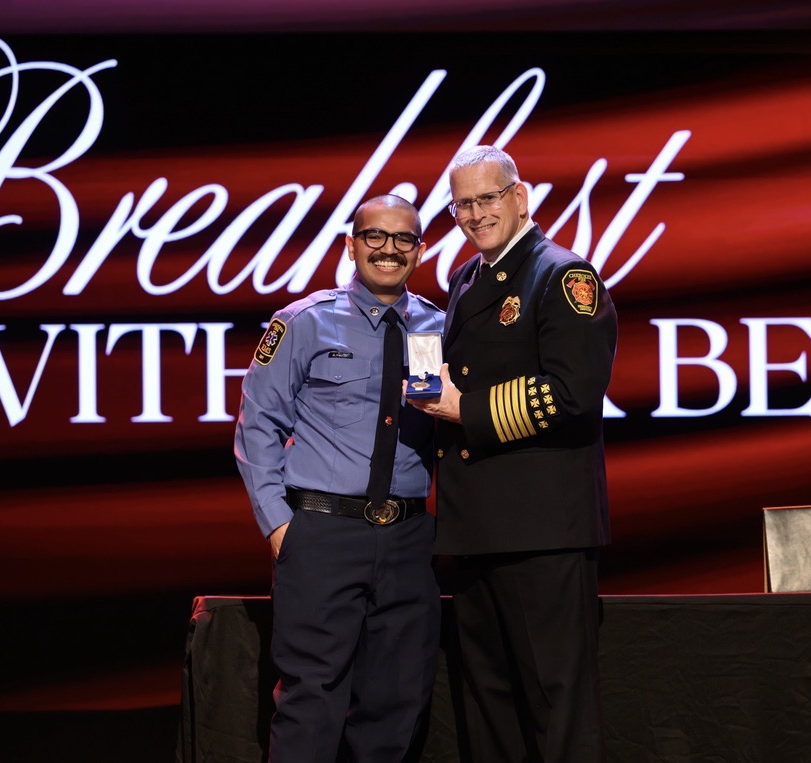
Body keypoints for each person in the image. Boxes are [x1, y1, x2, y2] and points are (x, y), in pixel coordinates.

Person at [412, 146, 617, 761]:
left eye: (487, 198)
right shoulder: (466, 279)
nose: (475, 215)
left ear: (520, 196)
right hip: (474, 527)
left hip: (540, 529)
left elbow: (573, 392)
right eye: (462, 204)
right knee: (488, 705)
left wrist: (464, 410)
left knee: (557, 707)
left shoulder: (562, 276)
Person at [235, 194, 444, 762]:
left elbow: (440, 423)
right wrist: (281, 526)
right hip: (322, 535)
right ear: (350, 245)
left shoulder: (433, 327)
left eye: (404, 239)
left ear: (420, 251)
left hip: (405, 542)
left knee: (397, 701)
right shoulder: (302, 322)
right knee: (312, 700)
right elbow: (257, 427)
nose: (389, 249)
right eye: (375, 236)